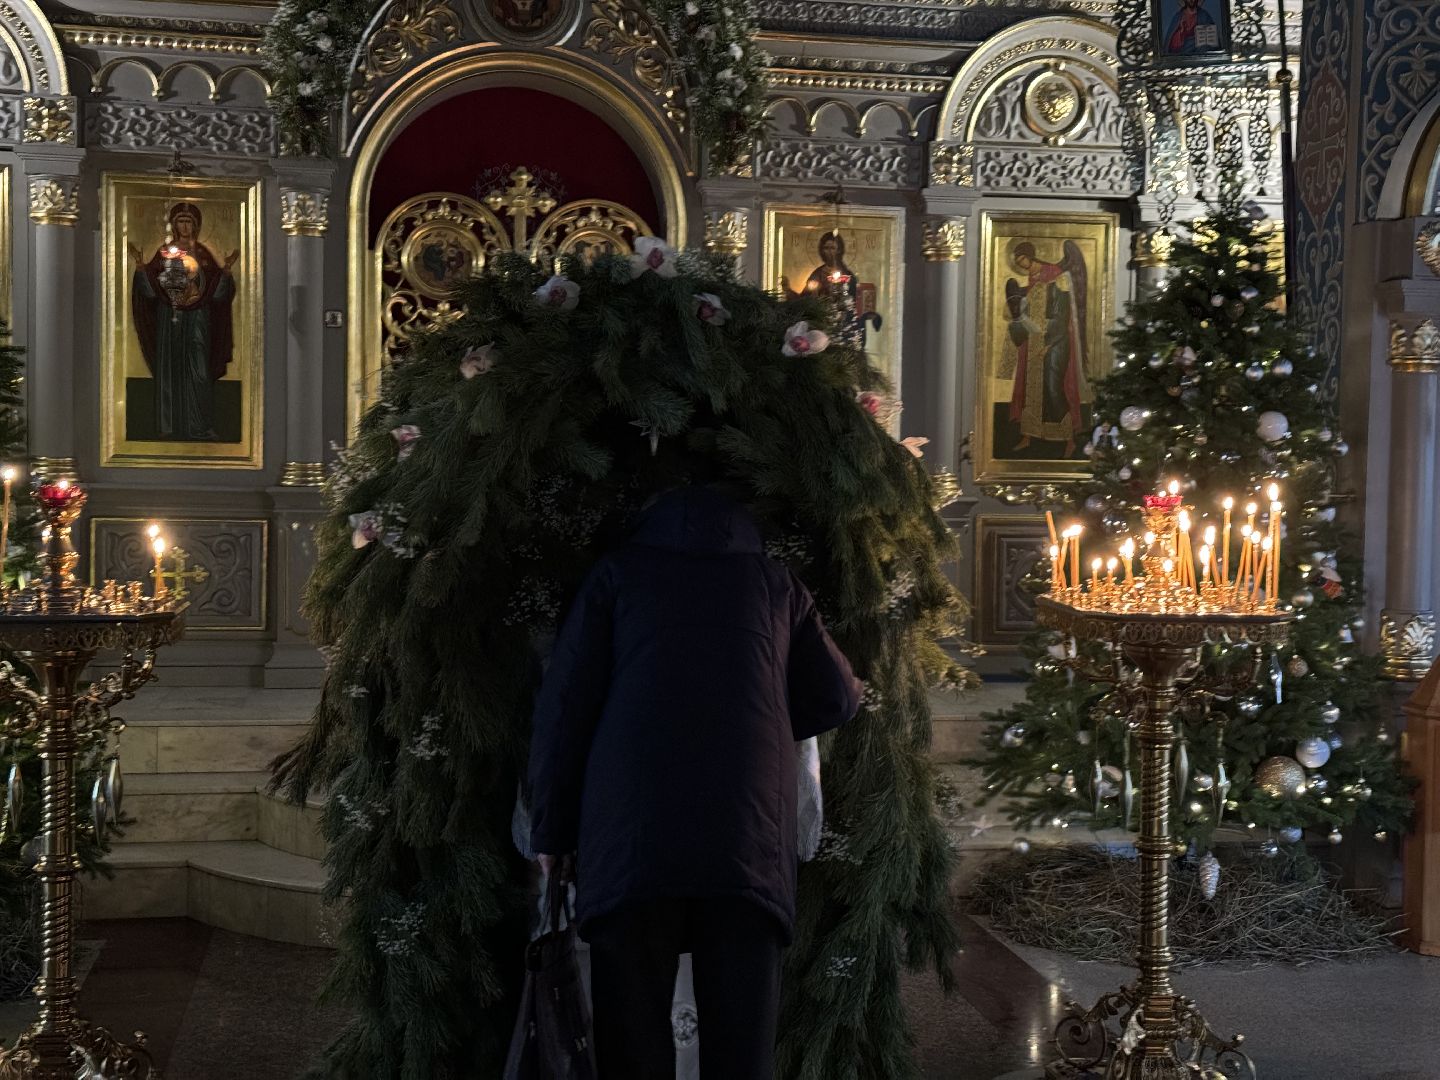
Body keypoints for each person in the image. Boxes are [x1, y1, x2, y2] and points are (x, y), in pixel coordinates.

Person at [528, 485, 861, 1080]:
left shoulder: (616, 575)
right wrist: (768, 715)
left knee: (633, 1043)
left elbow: (563, 713)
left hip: (633, 840)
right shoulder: (776, 585)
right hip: (748, 840)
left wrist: (550, 836)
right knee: (742, 1048)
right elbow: (837, 695)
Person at [129, 202, 238, 441]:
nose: (185, 226)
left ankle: (200, 426)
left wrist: (227, 273)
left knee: (199, 370)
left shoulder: (204, 255)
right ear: (174, 225)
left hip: (198, 320)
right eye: (180, 221)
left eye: (189, 221)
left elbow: (219, 294)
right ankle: (168, 427)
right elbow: (149, 292)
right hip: (170, 320)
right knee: (169, 369)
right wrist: (140, 268)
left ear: (196, 226)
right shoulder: (164, 253)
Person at [1005, 240, 1089, 458]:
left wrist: (1048, 345)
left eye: (1020, 258)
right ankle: (1028, 436)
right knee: (1030, 390)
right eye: (1016, 260)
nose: (1019, 263)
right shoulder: (1032, 280)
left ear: (1029, 255)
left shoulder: (1057, 276)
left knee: (1053, 389)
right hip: (1033, 343)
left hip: (1056, 343)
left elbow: (1062, 318)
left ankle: (1069, 439)